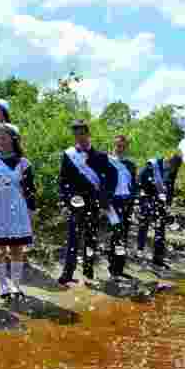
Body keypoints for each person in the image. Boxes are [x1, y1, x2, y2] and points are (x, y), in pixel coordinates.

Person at [0, 122, 37, 299]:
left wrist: (32, 210)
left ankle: (16, 285)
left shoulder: (24, 163)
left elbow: (30, 190)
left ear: (13, 138)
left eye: (3, 137)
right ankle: (3, 286)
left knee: (17, 248)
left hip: (18, 207)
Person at [57, 120, 116, 284]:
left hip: (94, 203)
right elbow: (63, 180)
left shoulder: (101, 156)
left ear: (89, 134)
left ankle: (88, 272)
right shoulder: (68, 155)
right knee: (73, 239)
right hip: (75, 203)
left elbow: (112, 177)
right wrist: (67, 199)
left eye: (82, 133)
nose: (80, 137)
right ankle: (68, 273)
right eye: (76, 134)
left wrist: (105, 196)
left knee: (91, 239)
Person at [136, 152, 182, 267]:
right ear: (168, 161)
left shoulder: (173, 169)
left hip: (161, 201)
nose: (172, 171)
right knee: (144, 224)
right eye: (171, 167)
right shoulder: (153, 164)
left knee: (160, 227)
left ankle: (158, 258)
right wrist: (144, 198)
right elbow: (140, 180)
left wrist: (169, 202)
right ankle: (139, 251)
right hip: (147, 198)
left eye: (174, 169)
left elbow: (171, 185)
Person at [106, 134, 138, 278]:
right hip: (113, 204)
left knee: (123, 236)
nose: (120, 148)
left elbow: (134, 186)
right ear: (114, 145)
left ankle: (119, 268)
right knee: (116, 235)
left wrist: (134, 201)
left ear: (127, 147)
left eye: (123, 146)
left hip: (127, 204)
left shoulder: (131, 165)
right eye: (118, 145)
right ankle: (112, 268)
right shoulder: (108, 161)